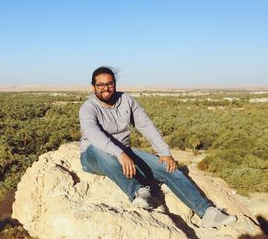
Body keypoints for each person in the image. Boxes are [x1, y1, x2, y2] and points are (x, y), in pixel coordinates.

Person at [79, 66, 237, 228]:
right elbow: (94, 135)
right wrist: (119, 153)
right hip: (94, 155)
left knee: (169, 168)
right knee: (100, 150)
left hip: (124, 152)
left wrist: (164, 153)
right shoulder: (88, 108)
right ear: (93, 87)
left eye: (109, 83)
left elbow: (146, 126)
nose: (105, 88)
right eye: (100, 85)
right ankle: (138, 192)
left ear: (115, 84)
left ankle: (207, 212)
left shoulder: (126, 100)